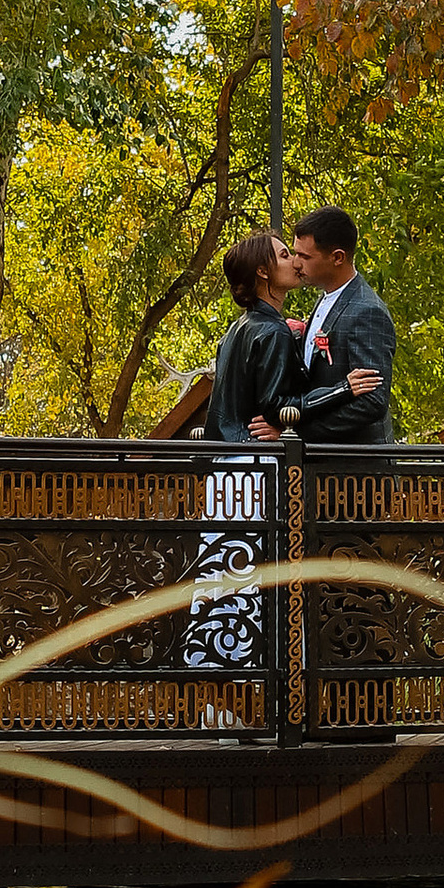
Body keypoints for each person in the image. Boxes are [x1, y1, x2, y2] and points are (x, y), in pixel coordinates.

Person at [181, 229, 294, 704]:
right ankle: (251, 700)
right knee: (255, 584)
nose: (295, 260)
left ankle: (218, 701)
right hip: (254, 469)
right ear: (263, 272)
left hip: (225, 470)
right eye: (285, 254)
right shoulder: (269, 332)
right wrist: (341, 389)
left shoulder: (240, 329)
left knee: (222, 584)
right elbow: (278, 403)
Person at [251, 207, 394, 445]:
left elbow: (372, 402)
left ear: (337, 257)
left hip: (355, 469)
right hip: (320, 467)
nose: (296, 264)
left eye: (305, 257)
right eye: (294, 254)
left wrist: (297, 434)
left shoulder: (367, 312)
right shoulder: (326, 297)